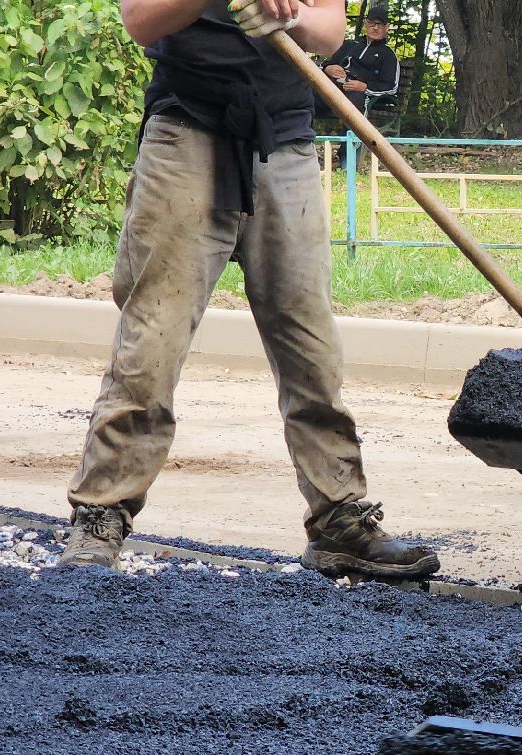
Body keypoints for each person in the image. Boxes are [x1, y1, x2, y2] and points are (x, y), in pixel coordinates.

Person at [59, 0, 439, 580]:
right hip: (186, 135)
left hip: (285, 144)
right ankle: (100, 517)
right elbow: (139, 20)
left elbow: (330, 31)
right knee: (152, 342)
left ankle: (339, 519)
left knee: (311, 347)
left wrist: (285, 16)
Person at [320, 3, 400, 117]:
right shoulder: (350, 45)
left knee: (353, 102)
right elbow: (327, 64)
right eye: (372, 23)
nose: (376, 28)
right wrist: (328, 68)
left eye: (380, 24)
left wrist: (365, 87)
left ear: (387, 28)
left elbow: (391, 87)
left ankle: (352, 135)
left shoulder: (388, 55)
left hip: (359, 94)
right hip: (334, 86)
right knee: (310, 92)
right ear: (365, 24)